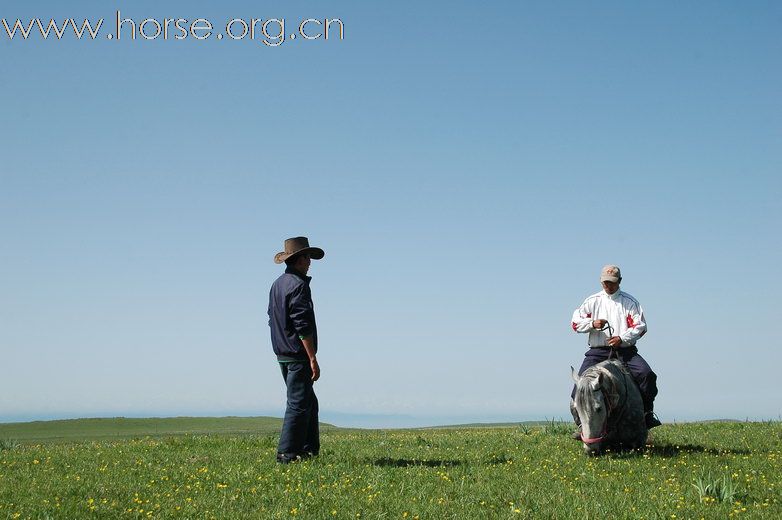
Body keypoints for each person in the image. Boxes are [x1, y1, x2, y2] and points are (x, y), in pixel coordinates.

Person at [570, 265, 661, 433]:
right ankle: (581, 424)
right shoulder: (592, 301)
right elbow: (575, 323)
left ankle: (647, 414)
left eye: (612, 282)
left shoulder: (630, 302)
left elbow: (641, 327)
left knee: (647, 375)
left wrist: (622, 338)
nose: (608, 286)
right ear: (600, 281)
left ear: (619, 281)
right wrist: (592, 324)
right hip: (598, 352)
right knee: (579, 386)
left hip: (624, 351)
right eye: (605, 282)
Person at [268, 236, 325, 463]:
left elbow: (272, 318)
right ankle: (287, 453)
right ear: (299, 259)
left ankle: (309, 449)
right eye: (307, 257)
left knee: (308, 402)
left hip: (282, 353)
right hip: (297, 355)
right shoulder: (299, 285)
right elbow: (302, 325)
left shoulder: (277, 285)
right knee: (299, 404)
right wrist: (312, 357)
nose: (310, 261)